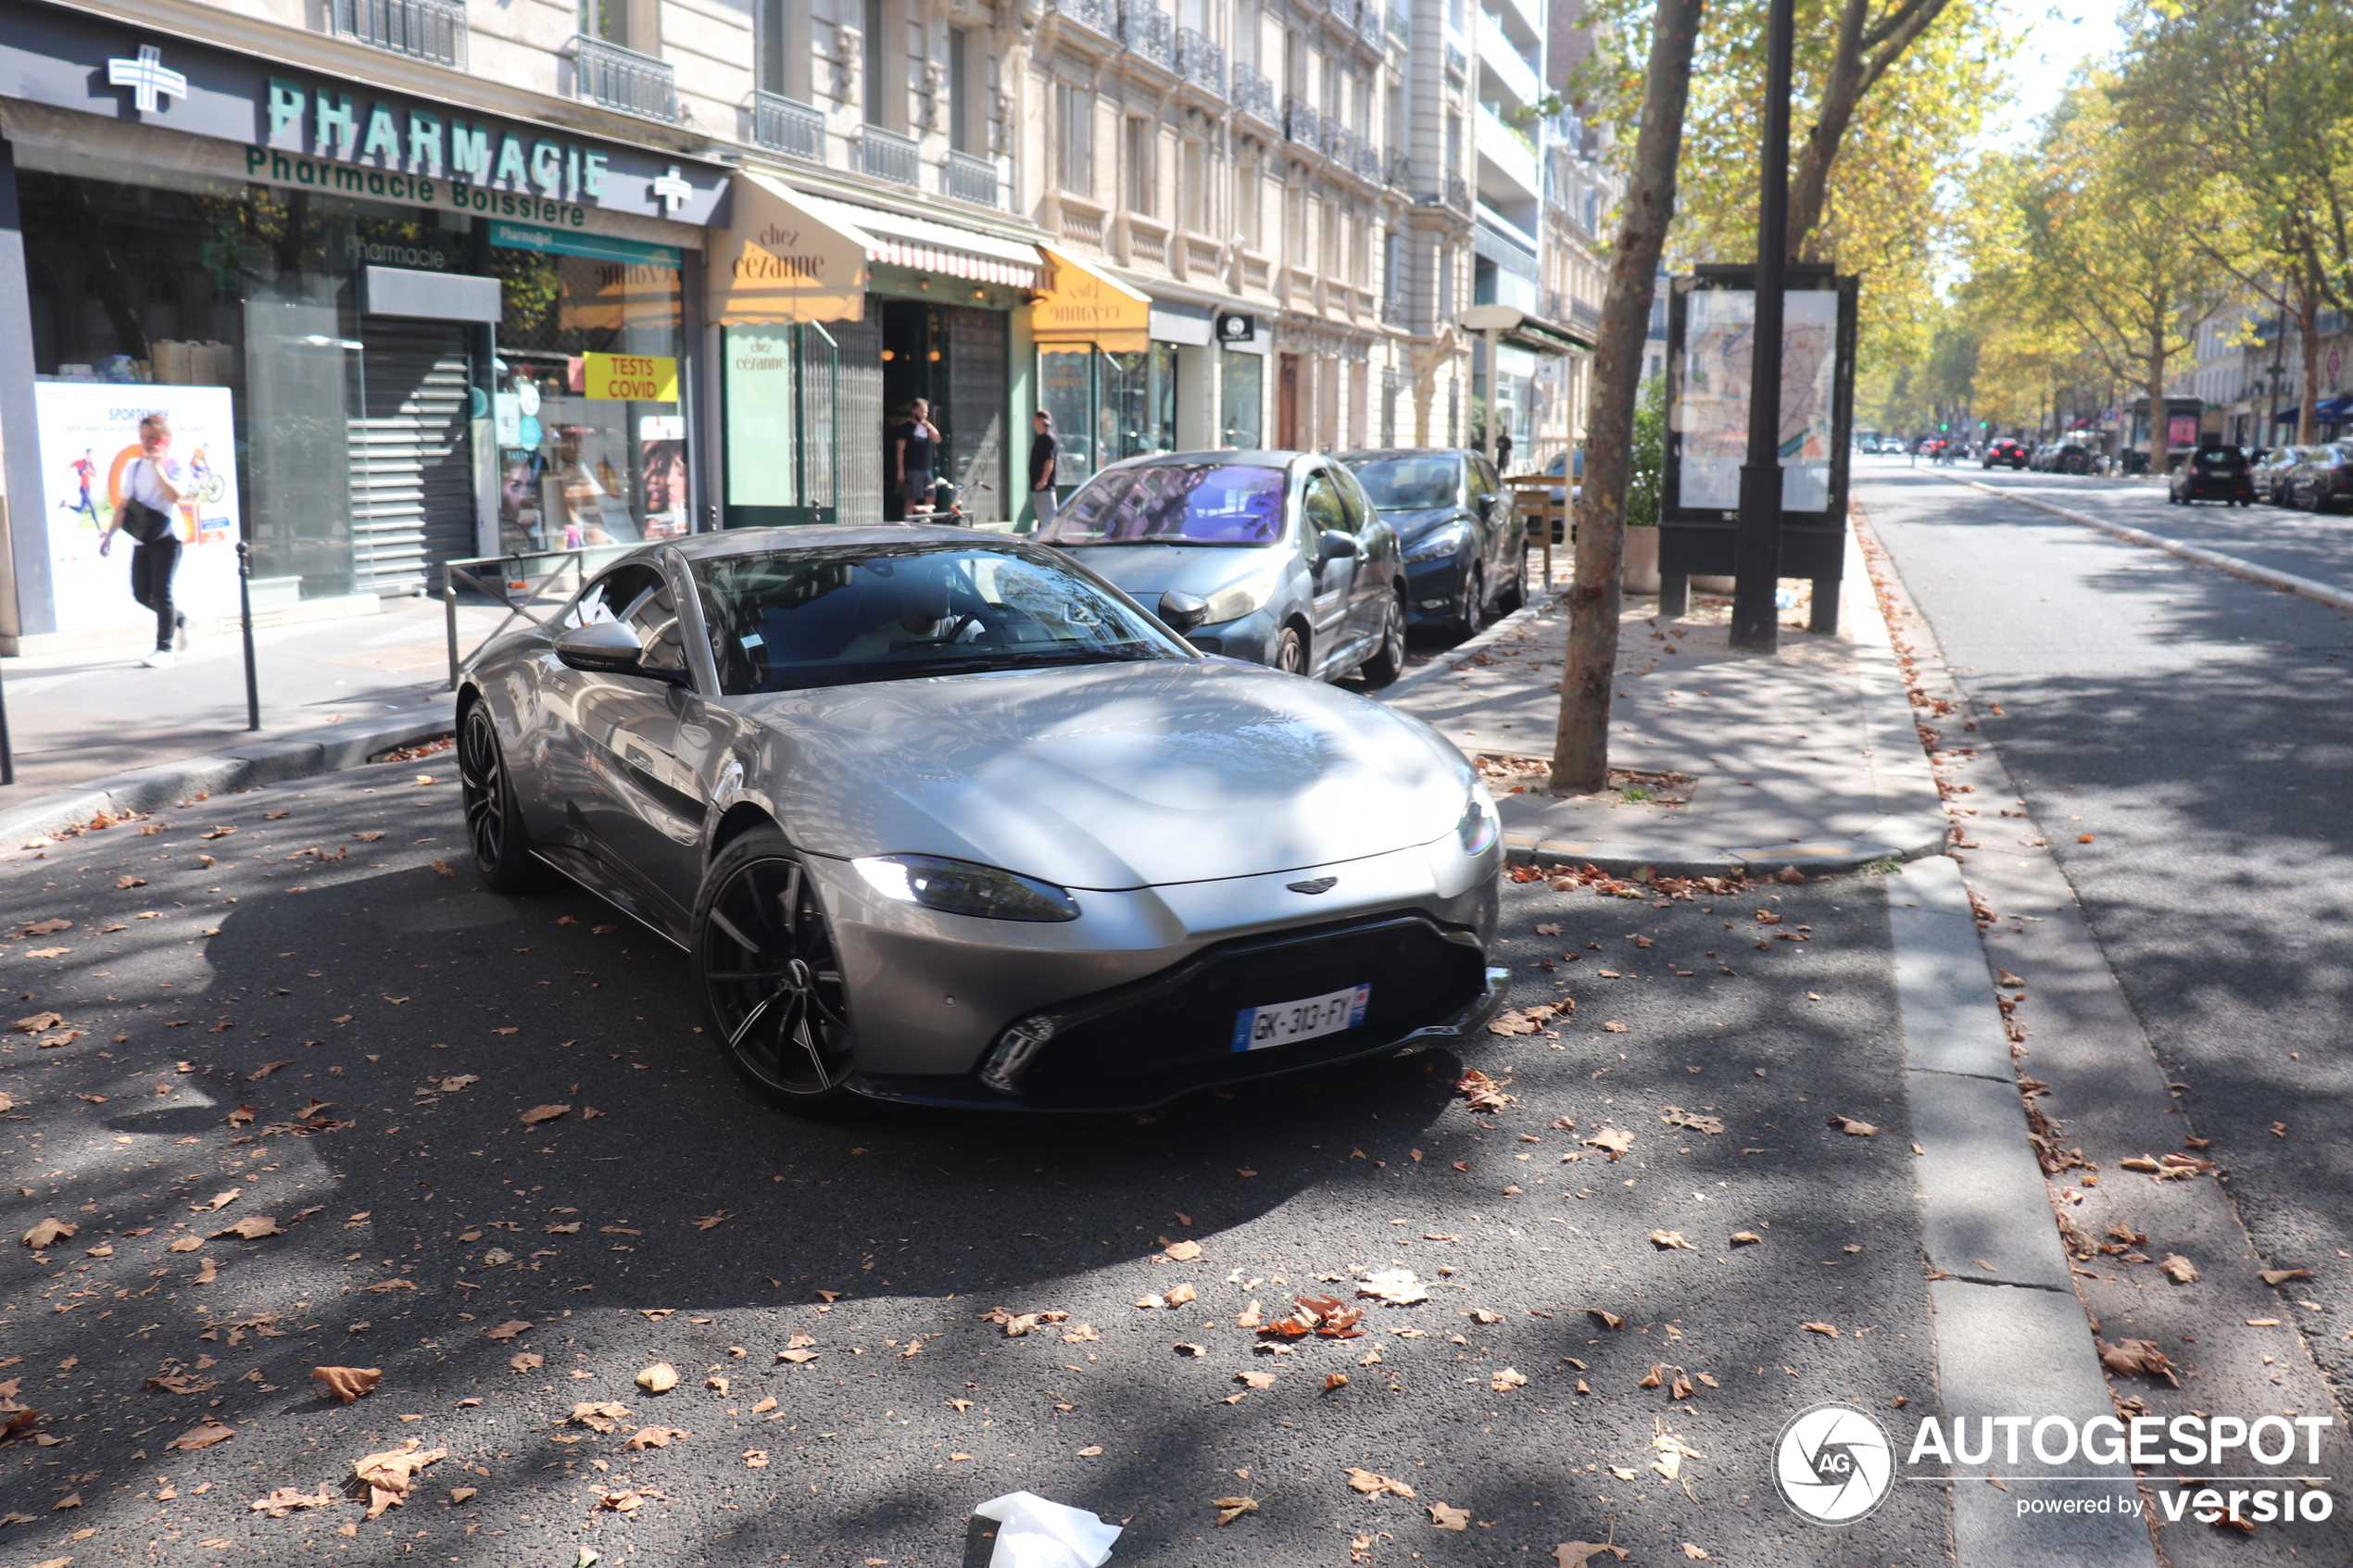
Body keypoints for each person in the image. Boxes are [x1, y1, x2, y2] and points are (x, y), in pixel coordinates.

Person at [97, 412, 190, 668]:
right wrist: (110, 535)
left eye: (153, 438)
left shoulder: (175, 465)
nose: (147, 443)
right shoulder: (133, 467)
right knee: (141, 593)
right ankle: (177, 619)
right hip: (143, 537)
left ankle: (164, 649)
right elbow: (124, 505)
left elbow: (173, 496)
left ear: (165, 440)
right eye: (143, 437)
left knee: (162, 591)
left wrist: (158, 465)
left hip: (168, 536)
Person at [893, 398, 940, 515]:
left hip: (925, 468)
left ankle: (927, 520)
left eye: (926, 413)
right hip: (912, 468)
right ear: (914, 411)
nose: (924, 415)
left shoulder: (925, 427)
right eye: (921, 412)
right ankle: (908, 521)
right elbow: (900, 450)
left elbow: (938, 440)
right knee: (912, 498)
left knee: (931, 495)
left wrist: (929, 425)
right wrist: (901, 471)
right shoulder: (905, 427)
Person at [1027, 410, 1060, 530]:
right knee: (1042, 519)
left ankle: (1055, 541)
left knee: (1050, 518)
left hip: (1045, 487)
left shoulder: (1049, 438)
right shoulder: (1040, 438)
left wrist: (1044, 480)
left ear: (1041, 421)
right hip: (1037, 486)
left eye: (1035, 419)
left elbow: (1049, 460)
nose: (1033, 422)